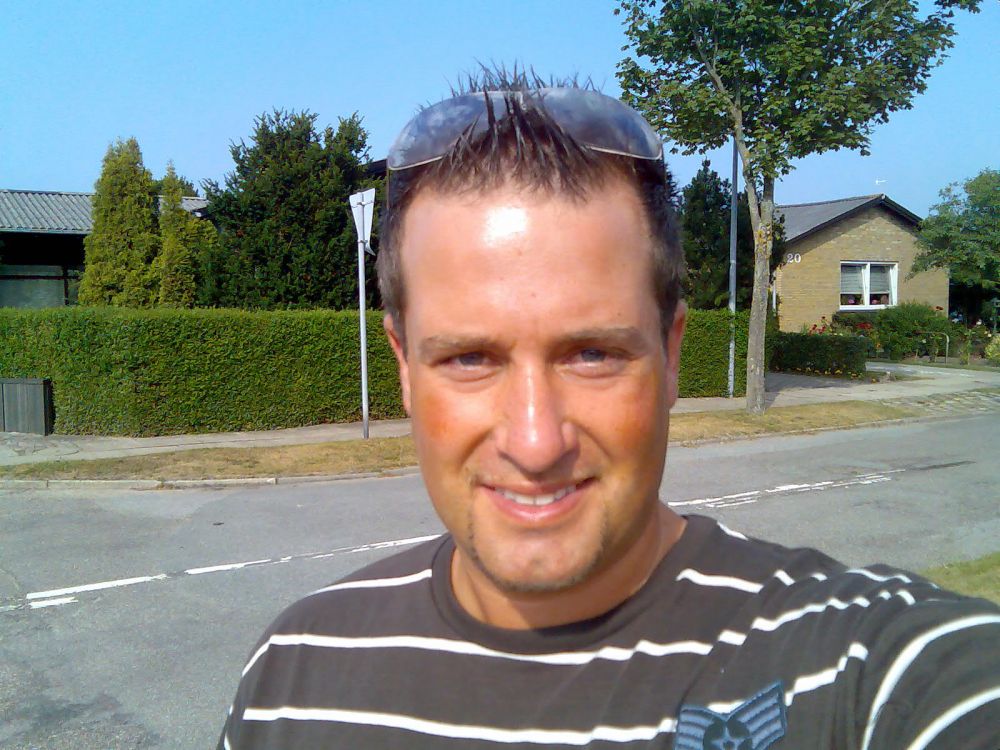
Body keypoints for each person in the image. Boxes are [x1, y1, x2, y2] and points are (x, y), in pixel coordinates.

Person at [218, 77, 999, 749]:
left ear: (671, 354)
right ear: (403, 368)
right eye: (469, 358)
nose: (535, 442)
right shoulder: (293, 676)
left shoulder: (853, 661)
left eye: (592, 353)